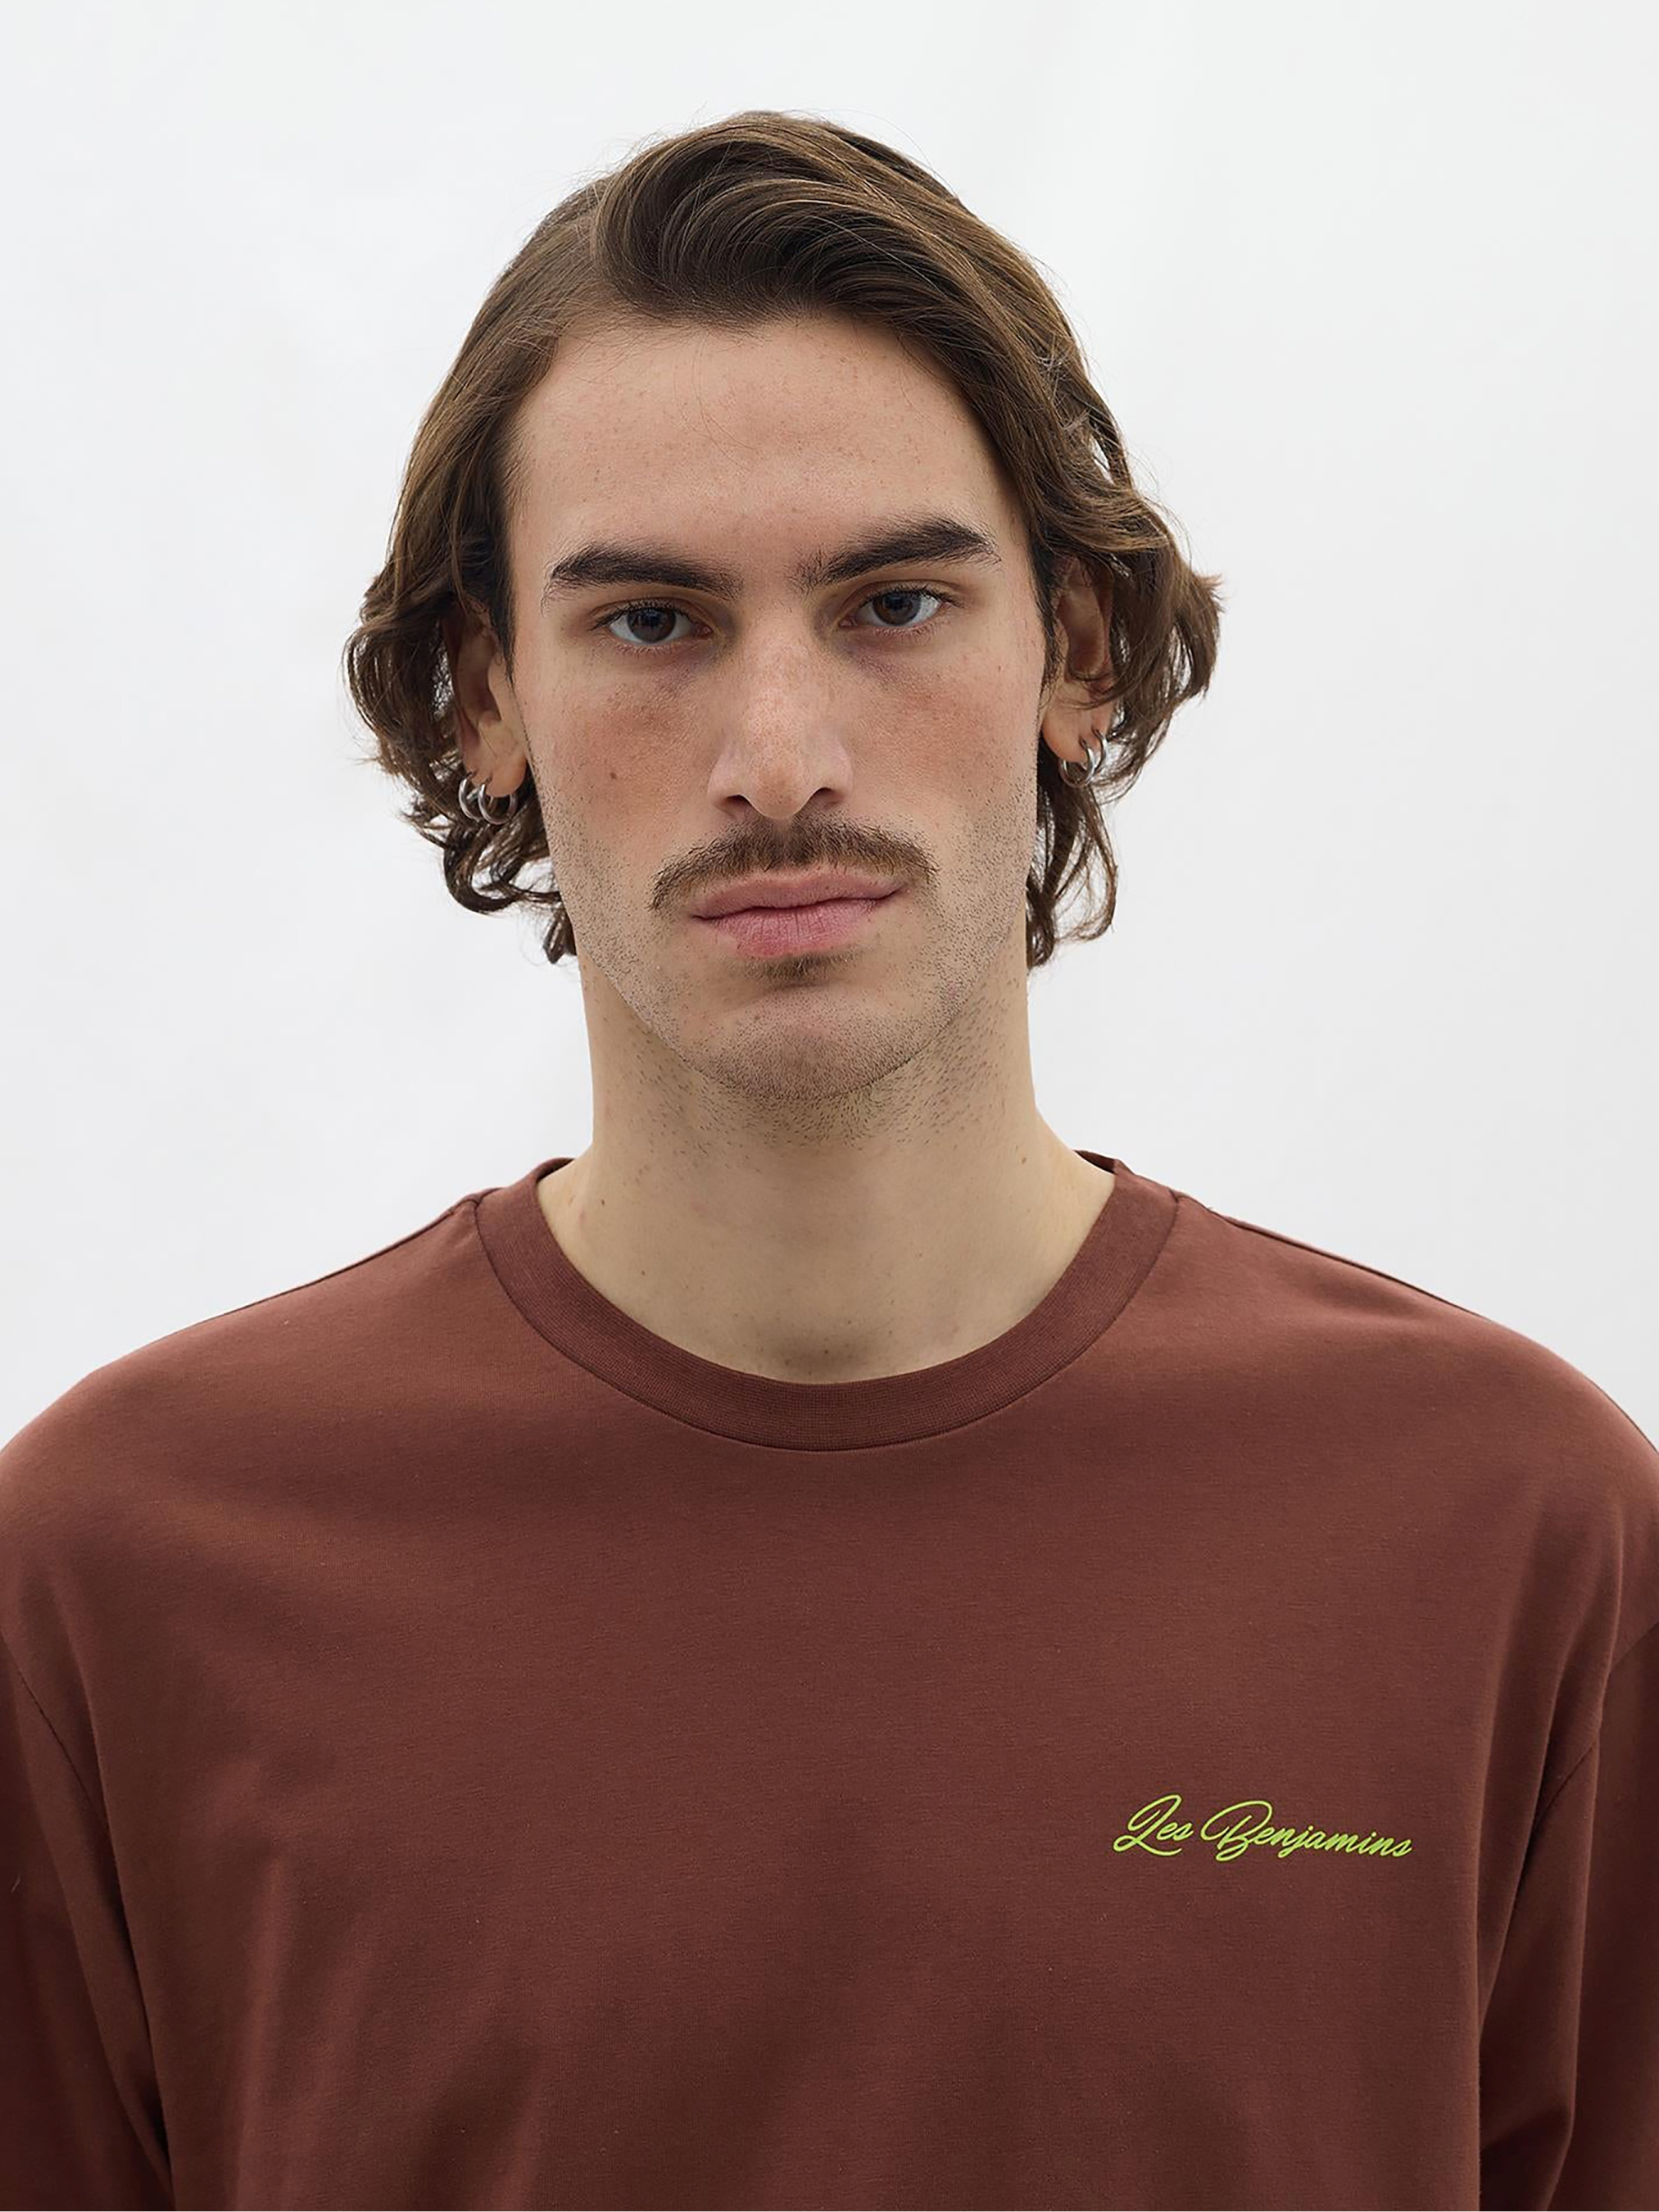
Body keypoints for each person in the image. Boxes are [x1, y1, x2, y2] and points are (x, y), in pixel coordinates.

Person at [3, 110, 1655, 2212]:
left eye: (889, 602)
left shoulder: (1509, 1536)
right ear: (484, 691)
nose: (778, 760)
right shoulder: (122, 1576)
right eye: (650, 623)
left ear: (1071, 651)